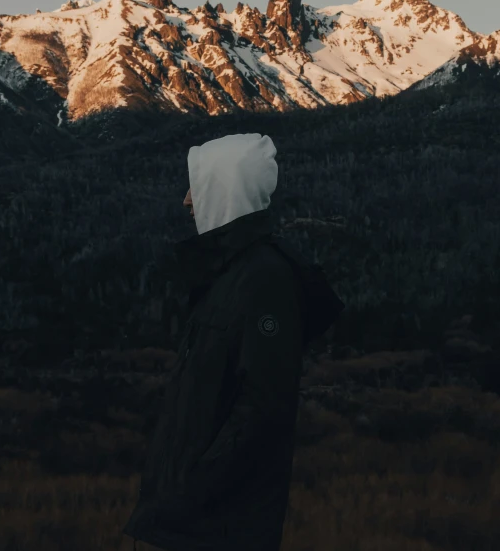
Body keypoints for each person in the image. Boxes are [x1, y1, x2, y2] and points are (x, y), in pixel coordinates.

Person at [122, 133, 345, 551]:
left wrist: (185, 497)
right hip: (186, 525)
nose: (187, 201)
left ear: (225, 190)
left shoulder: (265, 281)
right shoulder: (229, 276)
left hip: (211, 530)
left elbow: (262, 410)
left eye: (197, 185)